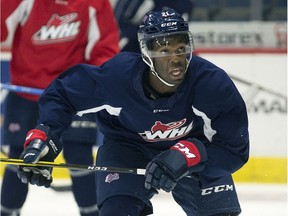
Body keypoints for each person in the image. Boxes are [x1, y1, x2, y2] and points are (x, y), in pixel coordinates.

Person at [16, 8, 249, 216]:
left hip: (192, 152)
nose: (176, 59)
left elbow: (235, 150)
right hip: (128, 149)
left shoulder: (212, 84)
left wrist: (190, 154)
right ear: (146, 52)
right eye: (165, 50)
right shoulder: (119, 78)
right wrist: (46, 137)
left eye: (181, 48)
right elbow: (63, 94)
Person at [0, 0, 119, 215]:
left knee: (79, 155)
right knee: (20, 156)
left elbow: (104, 48)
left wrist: (92, 85)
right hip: (26, 93)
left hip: (70, 95)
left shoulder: (94, 3)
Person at [112, 0, 195, 52]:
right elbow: (118, 22)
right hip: (131, 47)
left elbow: (181, 31)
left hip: (161, 51)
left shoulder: (186, 4)